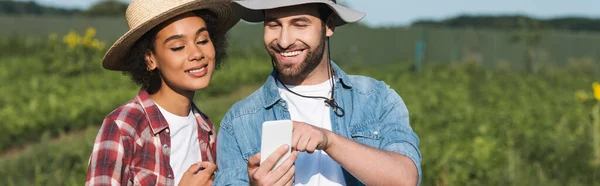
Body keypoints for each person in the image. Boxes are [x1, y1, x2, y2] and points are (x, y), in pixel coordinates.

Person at [215, 0, 422, 185]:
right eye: (273, 25)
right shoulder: (237, 122)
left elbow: (405, 179)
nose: (284, 41)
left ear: (328, 25)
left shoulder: (377, 98)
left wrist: (329, 140)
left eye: (300, 24)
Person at [84, 0, 238, 185]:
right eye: (178, 47)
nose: (196, 53)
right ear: (150, 59)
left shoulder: (207, 129)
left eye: (203, 40)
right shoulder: (123, 128)